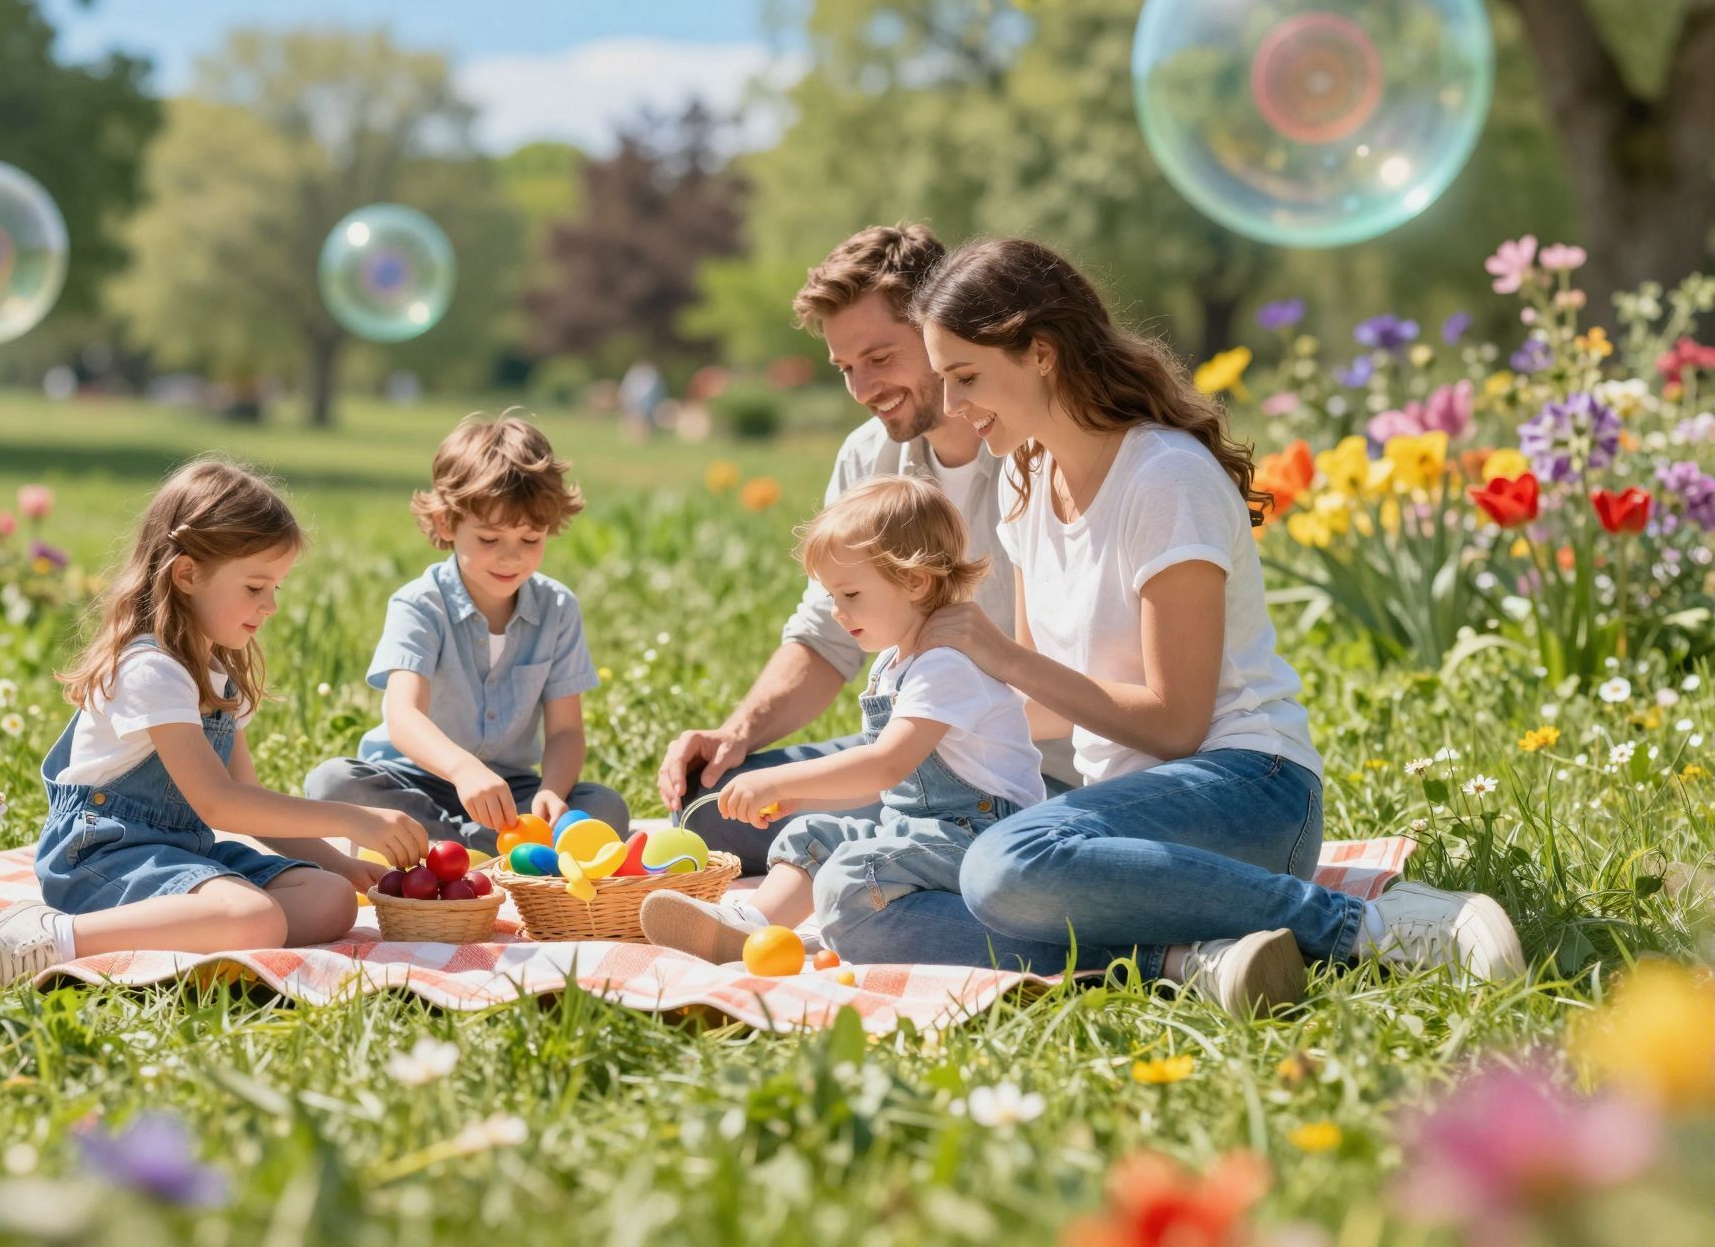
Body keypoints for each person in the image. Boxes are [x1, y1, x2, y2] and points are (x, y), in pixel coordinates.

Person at [828, 237, 1523, 1012]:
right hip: (1114, 827)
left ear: (1042, 353)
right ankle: (1189, 961)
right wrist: (931, 731)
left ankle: (1372, 925)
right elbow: (1047, 710)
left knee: (1003, 864)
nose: (951, 407)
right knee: (859, 901)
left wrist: (997, 659)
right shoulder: (1030, 486)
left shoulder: (1164, 477)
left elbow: (1176, 724)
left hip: (1246, 792)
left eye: (966, 378)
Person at [657, 225, 1077, 873]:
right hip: (903, 755)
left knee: (865, 841)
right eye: (846, 368)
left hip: (1027, 779)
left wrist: (898, 755)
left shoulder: (1042, 454)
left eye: (879, 358)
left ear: (941, 328)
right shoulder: (869, 455)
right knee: (711, 807)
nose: (861, 389)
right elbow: (829, 631)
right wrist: (734, 736)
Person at [0, 459, 426, 992]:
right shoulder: (151, 668)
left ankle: (209, 924)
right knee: (256, 918)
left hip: (182, 852)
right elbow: (217, 803)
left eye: (277, 587)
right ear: (186, 575)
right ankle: (51, 938)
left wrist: (338, 865)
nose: (270, 605)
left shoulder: (218, 671)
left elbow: (248, 799)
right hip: (101, 854)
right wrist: (352, 819)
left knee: (331, 900)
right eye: (254, 587)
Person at [641, 476, 1042, 963]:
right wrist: (799, 797)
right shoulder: (894, 663)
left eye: (849, 594)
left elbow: (885, 766)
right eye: (831, 596)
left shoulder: (946, 665)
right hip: (920, 828)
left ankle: (866, 925)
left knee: (854, 873)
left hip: (979, 839)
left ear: (915, 581)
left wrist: (777, 778)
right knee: (814, 835)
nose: (836, 611)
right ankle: (749, 926)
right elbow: (890, 790)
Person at [304, 415, 630, 852]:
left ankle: (445, 850)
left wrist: (550, 791)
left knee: (605, 807)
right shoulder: (419, 603)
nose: (511, 557)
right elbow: (403, 716)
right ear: (445, 524)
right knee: (332, 782)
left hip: (512, 795)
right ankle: (488, 851)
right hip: (417, 779)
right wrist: (461, 770)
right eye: (490, 539)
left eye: (531, 539)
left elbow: (566, 731)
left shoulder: (557, 608)